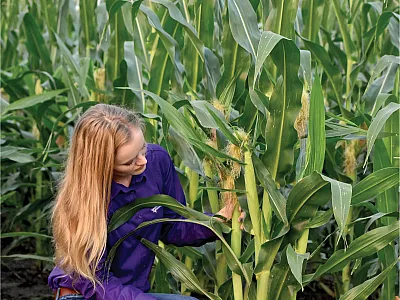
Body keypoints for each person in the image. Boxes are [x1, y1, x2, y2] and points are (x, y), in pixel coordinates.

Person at [48, 104, 245, 300]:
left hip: (133, 293)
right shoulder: (83, 202)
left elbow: (171, 226)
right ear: (102, 166)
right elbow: (94, 281)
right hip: (86, 293)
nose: (143, 161)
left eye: (142, 148)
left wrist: (214, 224)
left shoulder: (157, 161)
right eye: (129, 162)